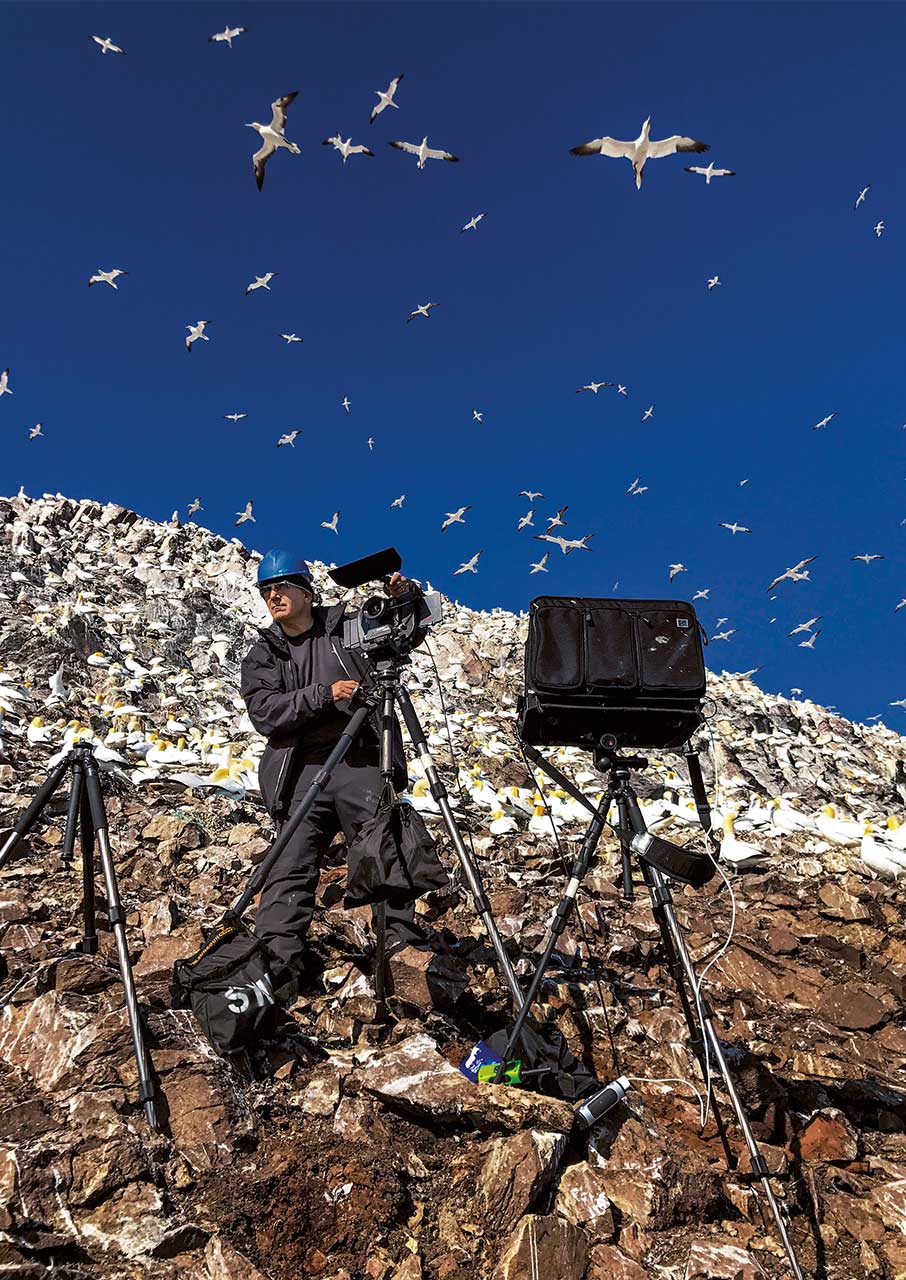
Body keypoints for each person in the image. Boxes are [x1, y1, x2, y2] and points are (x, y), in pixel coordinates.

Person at [240, 550, 424, 981]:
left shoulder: (346, 625)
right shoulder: (264, 651)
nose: (273, 595)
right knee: (289, 865)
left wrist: (403, 597)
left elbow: (403, 635)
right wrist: (326, 694)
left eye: (282, 585)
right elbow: (265, 711)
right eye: (267, 589)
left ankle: (399, 950)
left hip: (361, 758)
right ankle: (275, 966)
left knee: (384, 849)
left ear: (306, 592)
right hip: (301, 770)